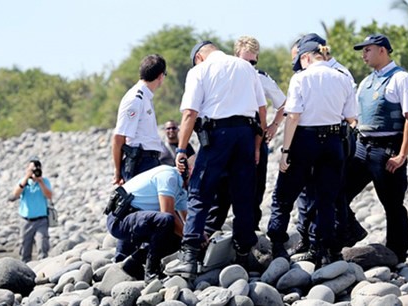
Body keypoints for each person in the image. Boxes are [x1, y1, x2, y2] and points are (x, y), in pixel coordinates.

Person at [164, 41, 267, 278]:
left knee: (200, 193)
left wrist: (181, 150)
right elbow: (262, 109)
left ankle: (189, 258)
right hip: (245, 135)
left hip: (217, 136)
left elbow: (190, 113)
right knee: (243, 196)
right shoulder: (245, 67)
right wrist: (257, 146)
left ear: (199, 57)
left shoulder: (199, 71)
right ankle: (244, 253)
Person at [267, 39, 357, 268]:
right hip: (334, 141)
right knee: (326, 199)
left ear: (306, 57)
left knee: (283, 196)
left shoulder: (301, 78)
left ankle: (277, 245)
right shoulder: (342, 77)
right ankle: (322, 250)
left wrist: (286, 151)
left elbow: (294, 116)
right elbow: (351, 117)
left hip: (305, 140)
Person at [340, 34, 408, 263]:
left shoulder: (401, 79)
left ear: (382, 50)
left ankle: (397, 254)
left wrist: (402, 155)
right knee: (338, 193)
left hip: (387, 151)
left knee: (392, 204)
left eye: (367, 50)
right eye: (363, 51)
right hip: (362, 147)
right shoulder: (366, 82)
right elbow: (355, 115)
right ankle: (352, 231)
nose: (363, 55)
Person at [289, 33, 366, 257]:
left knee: (331, 193)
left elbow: (348, 114)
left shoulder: (339, 73)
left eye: (298, 58)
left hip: (335, 137)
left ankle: (331, 241)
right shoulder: (318, 74)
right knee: (308, 192)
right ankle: (310, 237)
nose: (297, 66)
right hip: (318, 138)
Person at [204, 35, 286, 235]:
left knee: (254, 192)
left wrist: (274, 126)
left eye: (253, 62)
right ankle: (209, 233)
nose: (249, 66)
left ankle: (249, 238)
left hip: (254, 137)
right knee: (221, 191)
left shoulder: (261, 78)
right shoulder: (223, 75)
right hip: (228, 137)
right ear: (235, 56)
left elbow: (284, 104)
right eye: (245, 61)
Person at [105, 164, 188, 282]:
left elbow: (187, 221)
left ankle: (134, 262)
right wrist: (192, 241)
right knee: (167, 221)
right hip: (120, 220)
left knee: (177, 238)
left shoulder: (182, 189)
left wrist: (201, 236)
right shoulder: (169, 177)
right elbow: (168, 213)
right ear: (189, 170)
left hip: (137, 218)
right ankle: (151, 272)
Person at [112, 54, 167, 185]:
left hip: (149, 160)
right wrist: (117, 171)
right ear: (160, 76)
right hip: (140, 161)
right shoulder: (135, 99)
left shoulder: (145, 97)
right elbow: (118, 137)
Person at [12, 157, 53, 263]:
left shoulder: (44, 182)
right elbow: (15, 194)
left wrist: (40, 182)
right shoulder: (24, 182)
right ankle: (25, 267)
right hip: (26, 220)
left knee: (42, 245)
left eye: (37, 169)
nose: (35, 172)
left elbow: (49, 196)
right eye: (32, 169)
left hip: (41, 220)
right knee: (25, 247)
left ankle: (43, 267)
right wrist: (26, 177)